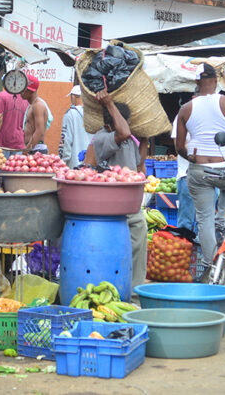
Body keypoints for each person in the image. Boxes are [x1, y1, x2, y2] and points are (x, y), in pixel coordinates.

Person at [175, 63, 225, 268]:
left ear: (197, 83)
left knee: (204, 219)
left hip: (199, 170)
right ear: (216, 81)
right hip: (224, 168)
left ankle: (209, 265)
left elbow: (179, 147)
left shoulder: (185, 109)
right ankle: (221, 220)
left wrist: (191, 158)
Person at [84, 90, 148, 296]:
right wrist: (109, 103)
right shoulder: (103, 138)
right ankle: (113, 291)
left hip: (132, 207)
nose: (127, 126)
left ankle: (134, 292)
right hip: (112, 208)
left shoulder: (129, 139)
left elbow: (138, 163)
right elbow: (123, 132)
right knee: (113, 254)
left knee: (137, 246)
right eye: (123, 121)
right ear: (109, 124)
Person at [172, 108, 196, 234]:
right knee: (185, 224)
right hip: (187, 175)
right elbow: (179, 146)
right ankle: (184, 251)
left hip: (211, 176)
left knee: (205, 223)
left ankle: (203, 253)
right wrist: (200, 160)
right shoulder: (184, 114)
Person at [58, 84, 92, 168]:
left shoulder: (70, 114)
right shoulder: (93, 115)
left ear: (73, 96)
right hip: (91, 163)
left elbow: (65, 140)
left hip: (74, 164)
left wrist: (63, 161)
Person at [22, 74, 53, 154]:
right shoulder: (32, 105)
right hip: (32, 148)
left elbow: (39, 131)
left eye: (23, 89)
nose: (21, 92)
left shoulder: (38, 106)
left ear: (30, 91)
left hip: (36, 150)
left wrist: (27, 149)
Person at [0, 89, 26, 157]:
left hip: (3, 143)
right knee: (14, 167)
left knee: (0, 166)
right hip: (19, 142)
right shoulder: (25, 98)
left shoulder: (2, 96)